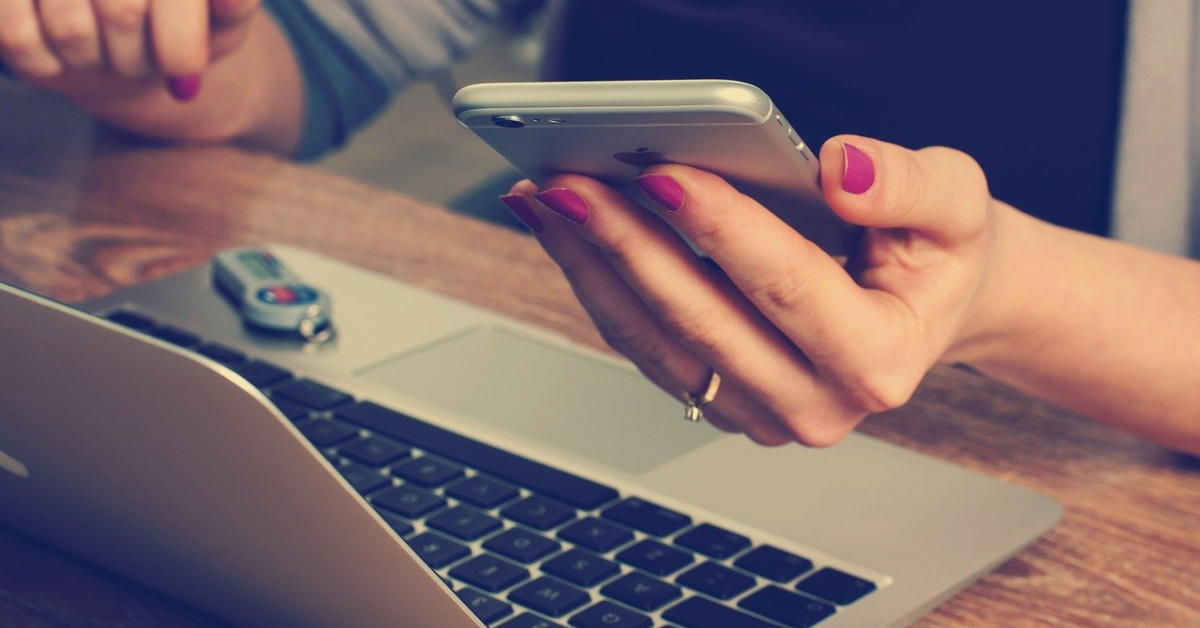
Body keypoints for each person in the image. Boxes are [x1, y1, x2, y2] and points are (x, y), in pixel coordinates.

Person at [1, 0, 1196, 454]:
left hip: (1066, 469)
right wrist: (149, 39)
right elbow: (300, 62)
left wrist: (999, 292)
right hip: (566, 382)